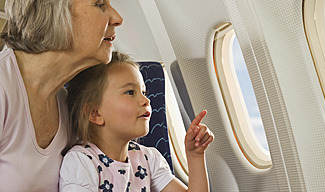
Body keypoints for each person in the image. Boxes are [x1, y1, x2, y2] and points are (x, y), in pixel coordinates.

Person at [0, 0, 123, 191]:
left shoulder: (69, 110)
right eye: (100, 4)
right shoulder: (3, 89)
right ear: (56, 10)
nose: (117, 18)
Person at [59, 51, 214, 191]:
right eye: (130, 92)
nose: (146, 100)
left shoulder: (148, 158)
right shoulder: (81, 163)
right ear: (95, 113)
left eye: (144, 92)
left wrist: (194, 156)